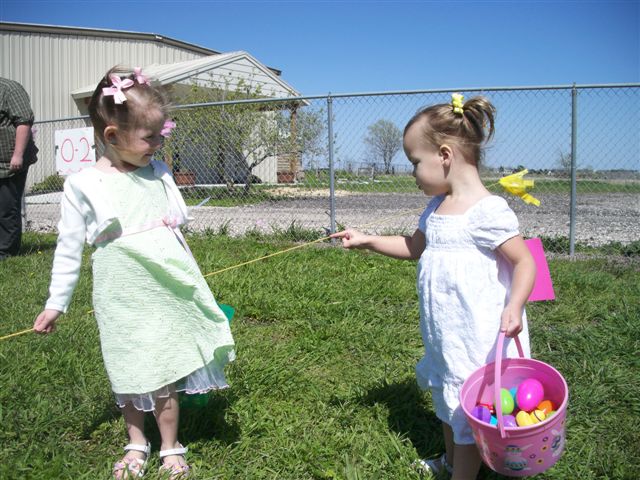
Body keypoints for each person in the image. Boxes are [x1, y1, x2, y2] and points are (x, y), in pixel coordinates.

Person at [33, 67, 235, 479]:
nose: (159, 144)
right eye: (149, 137)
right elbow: (69, 247)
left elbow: (176, 221)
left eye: (162, 134)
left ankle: (170, 444)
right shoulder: (84, 184)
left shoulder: (158, 172)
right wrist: (57, 303)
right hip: (121, 291)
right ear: (111, 136)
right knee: (129, 363)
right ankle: (135, 441)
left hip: (166, 284)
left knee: (165, 361)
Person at [331, 94, 536, 479]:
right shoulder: (437, 206)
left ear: (444, 155)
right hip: (446, 330)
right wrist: (368, 240)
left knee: (468, 402)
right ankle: (451, 459)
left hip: (479, 332)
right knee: (447, 395)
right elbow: (414, 246)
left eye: (415, 163)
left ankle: (464, 473)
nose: (412, 173)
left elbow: (525, 262)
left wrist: (515, 306)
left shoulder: (487, 211)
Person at [0, 77, 38, 259]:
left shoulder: (9, 89)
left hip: (9, 162)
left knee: (7, 208)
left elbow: (23, 122)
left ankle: (6, 252)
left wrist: (18, 154)